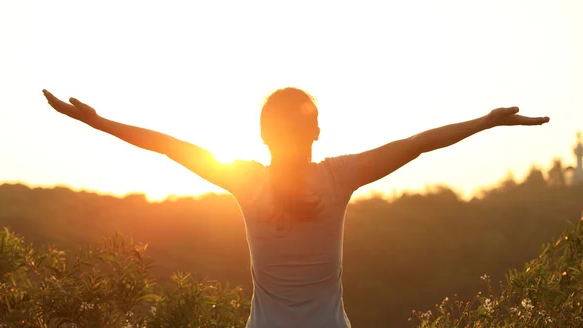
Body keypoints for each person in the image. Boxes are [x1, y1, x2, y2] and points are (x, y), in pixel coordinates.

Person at [42, 87, 549, 327]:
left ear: (262, 136)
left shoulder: (246, 181)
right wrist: (484, 121)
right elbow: (417, 143)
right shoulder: (338, 176)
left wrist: (98, 122)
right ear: (317, 133)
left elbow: (167, 145)